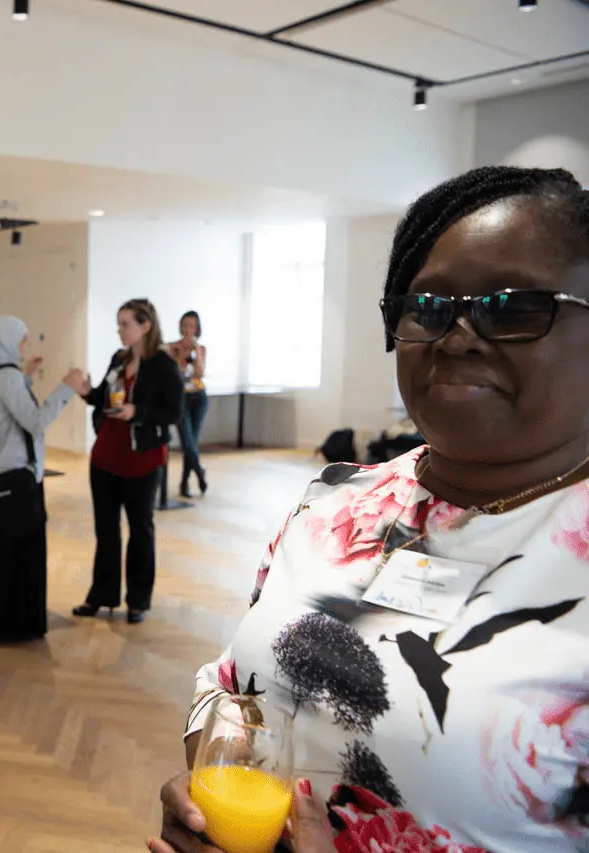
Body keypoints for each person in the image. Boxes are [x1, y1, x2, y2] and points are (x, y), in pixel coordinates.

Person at [150, 166, 589, 853]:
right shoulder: (337, 499)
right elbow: (231, 684)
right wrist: (210, 782)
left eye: (512, 306)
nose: (459, 335)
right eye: (429, 307)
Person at [69, 299, 184, 625]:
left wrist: (138, 413)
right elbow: (103, 399)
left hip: (142, 461)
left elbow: (174, 412)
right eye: (119, 323)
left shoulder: (163, 365)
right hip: (105, 457)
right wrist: (85, 391)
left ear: (145, 326)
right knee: (106, 532)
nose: (120, 330)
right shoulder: (119, 359)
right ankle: (101, 596)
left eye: (125, 324)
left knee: (140, 531)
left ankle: (137, 601)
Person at [0, 316, 85, 642]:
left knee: (0, 556)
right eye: (22, 339)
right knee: (22, 556)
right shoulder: (7, 376)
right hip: (16, 477)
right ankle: (18, 626)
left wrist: (28, 376)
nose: (26, 345)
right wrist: (67, 388)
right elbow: (34, 421)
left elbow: (2, 407)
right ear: (6, 341)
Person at [166, 311, 208, 498]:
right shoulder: (172, 348)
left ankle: (184, 482)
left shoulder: (201, 349)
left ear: (197, 329)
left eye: (191, 326)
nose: (187, 329)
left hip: (199, 397)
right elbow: (174, 373)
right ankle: (199, 471)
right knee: (187, 442)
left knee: (192, 441)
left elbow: (199, 373)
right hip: (180, 398)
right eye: (185, 325)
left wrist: (196, 351)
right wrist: (180, 356)